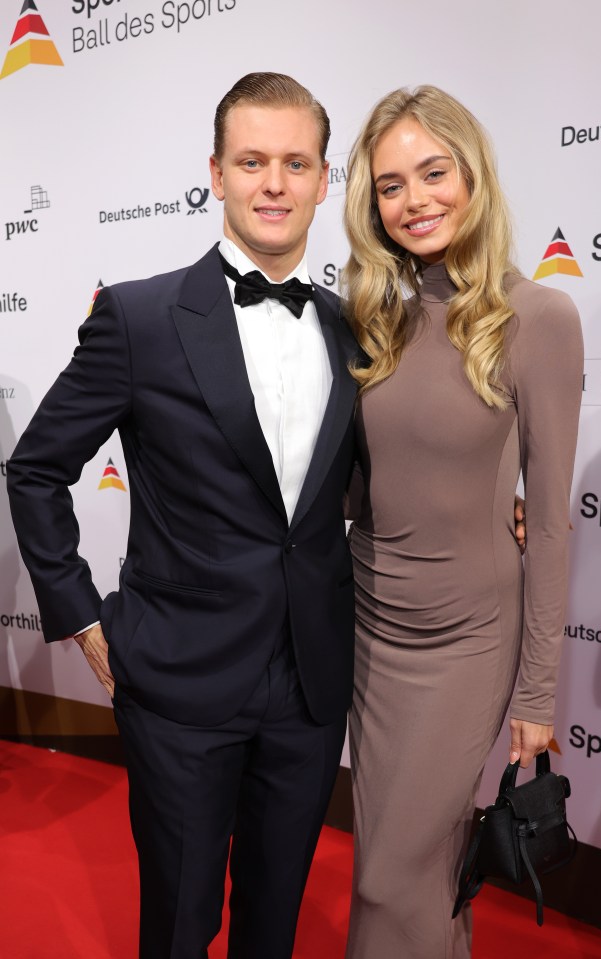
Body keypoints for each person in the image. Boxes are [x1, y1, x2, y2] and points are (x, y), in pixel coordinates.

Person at [7, 73, 362, 959]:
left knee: (272, 924)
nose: (273, 183)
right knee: (177, 926)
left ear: (327, 179)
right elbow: (36, 467)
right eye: (252, 161)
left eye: (294, 162)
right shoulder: (138, 317)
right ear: (216, 171)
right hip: (178, 682)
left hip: (311, 687)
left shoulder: (357, 330)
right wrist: (81, 612)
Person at [341, 85, 583, 959]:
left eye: (433, 172)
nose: (415, 201)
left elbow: (550, 524)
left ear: (472, 174)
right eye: (390, 185)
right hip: (371, 629)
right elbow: (360, 488)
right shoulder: (375, 318)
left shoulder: (539, 318)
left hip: (466, 641)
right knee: (407, 865)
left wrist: (538, 694)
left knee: (389, 875)